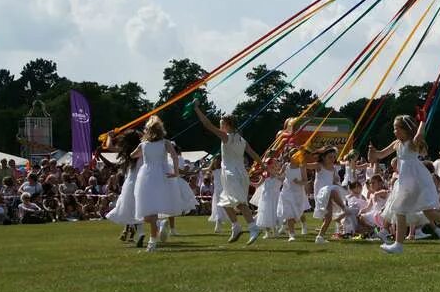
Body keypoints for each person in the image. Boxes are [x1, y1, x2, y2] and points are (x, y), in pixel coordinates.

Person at [367, 114, 440, 254]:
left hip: (416, 181)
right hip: (406, 182)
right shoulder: (397, 144)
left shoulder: (412, 143)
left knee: (400, 210)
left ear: (406, 130)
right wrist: (373, 152)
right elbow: (379, 155)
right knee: (428, 212)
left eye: (397, 128)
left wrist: (422, 120)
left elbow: (419, 135)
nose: (395, 131)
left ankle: (398, 245)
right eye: (394, 129)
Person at [194, 105, 261, 244]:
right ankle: (235, 226)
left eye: (221, 124)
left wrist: (196, 109)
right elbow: (253, 153)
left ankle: (253, 228)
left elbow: (207, 124)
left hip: (231, 174)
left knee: (240, 203)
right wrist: (264, 165)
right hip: (240, 173)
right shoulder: (241, 140)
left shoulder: (226, 137)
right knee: (224, 202)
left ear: (226, 124)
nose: (220, 126)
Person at [131, 116, 182, 252]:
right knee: (151, 211)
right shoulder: (165, 143)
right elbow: (175, 156)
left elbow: (132, 155)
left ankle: (152, 241)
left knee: (149, 211)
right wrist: (176, 172)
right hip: (162, 174)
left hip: (148, 176)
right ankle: (160, 226)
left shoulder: (144, 144)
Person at [102, 130, 144, 247]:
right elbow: (148, 137)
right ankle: (140, 233)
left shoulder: (126, 150)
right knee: (139, 208)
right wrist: (139, 133)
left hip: (130, 181)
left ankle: (140, 233)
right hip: (142, 180)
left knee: (131, 208)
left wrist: (110, 136)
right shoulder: (143, 148)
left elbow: (109, 147)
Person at [276, 149, 309, 242]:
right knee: (289, 213)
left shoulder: (301, 167)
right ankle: (292, 235)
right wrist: (272, 172)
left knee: (297, 214)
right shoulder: (286, 166)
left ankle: (302, 225)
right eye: (293, 155)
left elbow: (306, 181)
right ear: (290, 156)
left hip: (298, 193)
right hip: (286, 192)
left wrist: (299, 182)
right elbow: (280, 176)